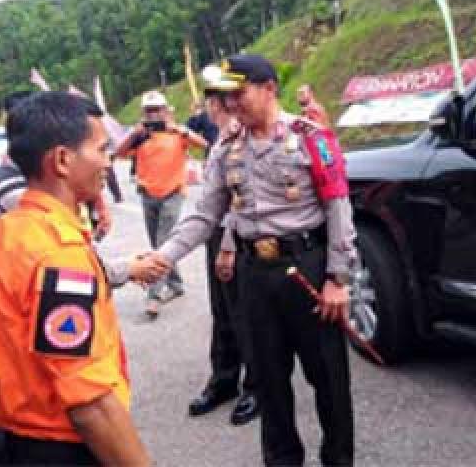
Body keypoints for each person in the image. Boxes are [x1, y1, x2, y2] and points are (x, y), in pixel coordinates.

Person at [134, 54, 357, 466]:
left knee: (328, 379)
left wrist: (338, 278)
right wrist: (163, 256)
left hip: (307, 268)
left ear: (269, 88)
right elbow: (206, 214)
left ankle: (338, 460)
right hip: (254, 275)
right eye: (227, 96)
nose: (231, 103)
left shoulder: (311, 137)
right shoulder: (226, 148)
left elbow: (337, 206)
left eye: (239, 93)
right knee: (269, 383)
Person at [0, 92, 163, 465]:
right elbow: (90, 403)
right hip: (63, 444)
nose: (108, 162)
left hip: (11, 437)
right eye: (101, 150)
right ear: (62, 160)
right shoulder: (60, 255)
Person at [187, 77, 260, 426]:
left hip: (240, 236)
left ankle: (257, 385)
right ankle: (224, 378)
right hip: (215, 232)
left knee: (245, 312)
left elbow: (244, 197)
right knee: (222, 311)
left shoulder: (242, 138)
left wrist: (228, 245)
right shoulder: (219, 139)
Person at [115, 90, 208, 317]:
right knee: (159, 243)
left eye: (157, 110)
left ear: (166, 111)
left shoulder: (177, 133)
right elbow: (118, 153)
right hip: (148, 194)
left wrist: (180, 129)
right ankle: (175, 284)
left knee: (162, 242)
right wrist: (134, 134)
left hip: (173, 193)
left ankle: (154, 295)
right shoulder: (141, 136)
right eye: (149, 111)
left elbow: (203, 144)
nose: (153, 115)